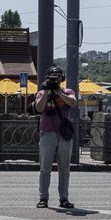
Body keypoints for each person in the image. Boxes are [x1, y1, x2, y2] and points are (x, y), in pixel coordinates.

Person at [33, 67, 77, 209]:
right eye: (52, 76)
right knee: (45, 168)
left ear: (62, 78)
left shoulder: (67, 91)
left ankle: (64, 198)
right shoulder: (41, 92)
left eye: (57, 76)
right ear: (47, 78)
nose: (55, 79)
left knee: (64, 168)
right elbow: (39, 108)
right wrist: (46, 90)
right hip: (47, 132)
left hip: (63, 134)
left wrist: (59, 92)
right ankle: (43, 198)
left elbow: (73, 103)